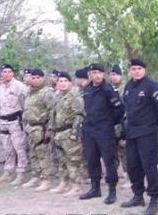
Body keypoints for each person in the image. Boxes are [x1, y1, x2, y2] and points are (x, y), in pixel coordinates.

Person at [120, 59, 158, 215]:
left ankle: (154, 199)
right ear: (130, 71)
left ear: (144, 70)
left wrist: (153, 124)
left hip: (147, 132)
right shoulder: (128, 86)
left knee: (149, 166)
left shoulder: (152, 86)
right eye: (133, 69)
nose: (136, 71)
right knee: (133, 165)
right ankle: (138, 195)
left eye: (139, 68)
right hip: (132, 132)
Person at [79, 63, 125, 204]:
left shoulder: (108, 90)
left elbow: (119, 110)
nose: (97, 75)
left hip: (104, 130)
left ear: (103, 74)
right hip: (90, 130)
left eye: (99, 72)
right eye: (94, 73)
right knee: (92, 160)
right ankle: (95, 189)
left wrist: (108, 122)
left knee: (109, 161)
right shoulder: (87, 90)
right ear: (89, 75)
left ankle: (112, 191)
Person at [49, 71, 86, 196]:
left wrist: (75, 132)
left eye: (65, 81)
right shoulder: (58, 96)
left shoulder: (75, 96)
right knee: (62, 160)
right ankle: (64, 183)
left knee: (73, 160)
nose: (63, 83)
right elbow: (53, 114)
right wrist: (51, 129)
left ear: (70, 83)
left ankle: (77, 186)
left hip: (69, 132)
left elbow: (79, 116)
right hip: (59, 134)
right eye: (60, 81)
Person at [19, 69, 57, 191]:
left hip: (41, 127)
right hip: (30, 127)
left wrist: (49, 129)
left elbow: (52, 112)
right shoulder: (29, 92)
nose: (35, 80)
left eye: (37, 78)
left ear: (43, 78)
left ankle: (46, 179)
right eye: (33, 78)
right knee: (33, 153)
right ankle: (36, 176)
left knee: (43, 154)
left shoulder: (47, 92)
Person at [0, 64, 29, 185]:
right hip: (4, 121)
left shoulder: (20, 86)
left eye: (9, 71)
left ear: (13, 73)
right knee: (7, 149)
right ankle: (7, 172)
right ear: (1, 74)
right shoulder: (1, 87)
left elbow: (26, 104)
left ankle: (21, 173)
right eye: (4, 72)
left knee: (19, 148)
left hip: (15, 121)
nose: (7, 74)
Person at [110, 64, 130, 188]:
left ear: (121, 75)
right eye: (112, 75)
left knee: (125, 150)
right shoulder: (110, 88)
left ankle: (129, 175)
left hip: (124, 123)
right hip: (113, 124)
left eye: (116, 74)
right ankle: (115, 174)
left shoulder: (126, 88)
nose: (114, 77)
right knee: (115, 150)